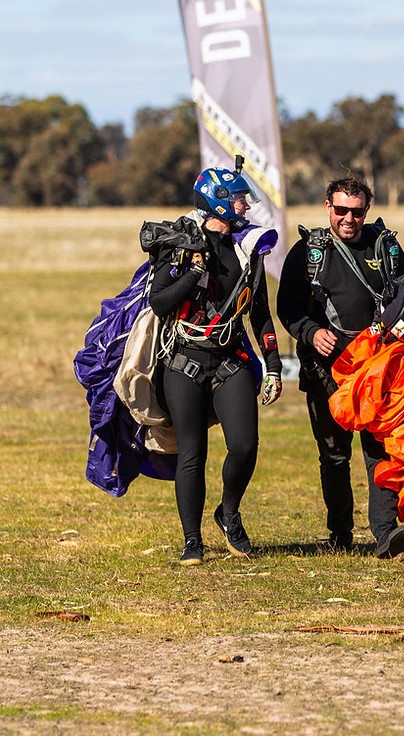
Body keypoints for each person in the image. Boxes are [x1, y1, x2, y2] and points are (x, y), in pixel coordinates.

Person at [148, 166, 283, 566]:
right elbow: (159, 302)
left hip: (231, 359)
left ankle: (228, 513)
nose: (245, 206)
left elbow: (259, 313)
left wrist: (273, 364)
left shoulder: (247, 250)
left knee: (244, 444)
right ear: (218, 201)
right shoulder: (181, 245)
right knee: (192, 452)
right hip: (184, 359)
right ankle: (192, 540)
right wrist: (193, 274)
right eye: (240, 199)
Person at [277, 176, 404, 559]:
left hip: (379, 368)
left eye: (356, 211)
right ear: (327, 208)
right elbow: (287, 306)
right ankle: (340, 532)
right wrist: (309, 331)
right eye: (341, 211)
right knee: (335, 454)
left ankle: (386, 532)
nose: (349, 219)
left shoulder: (385, 248)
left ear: (366, 211)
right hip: (327, 369)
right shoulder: (308, 252)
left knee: (381, 450)